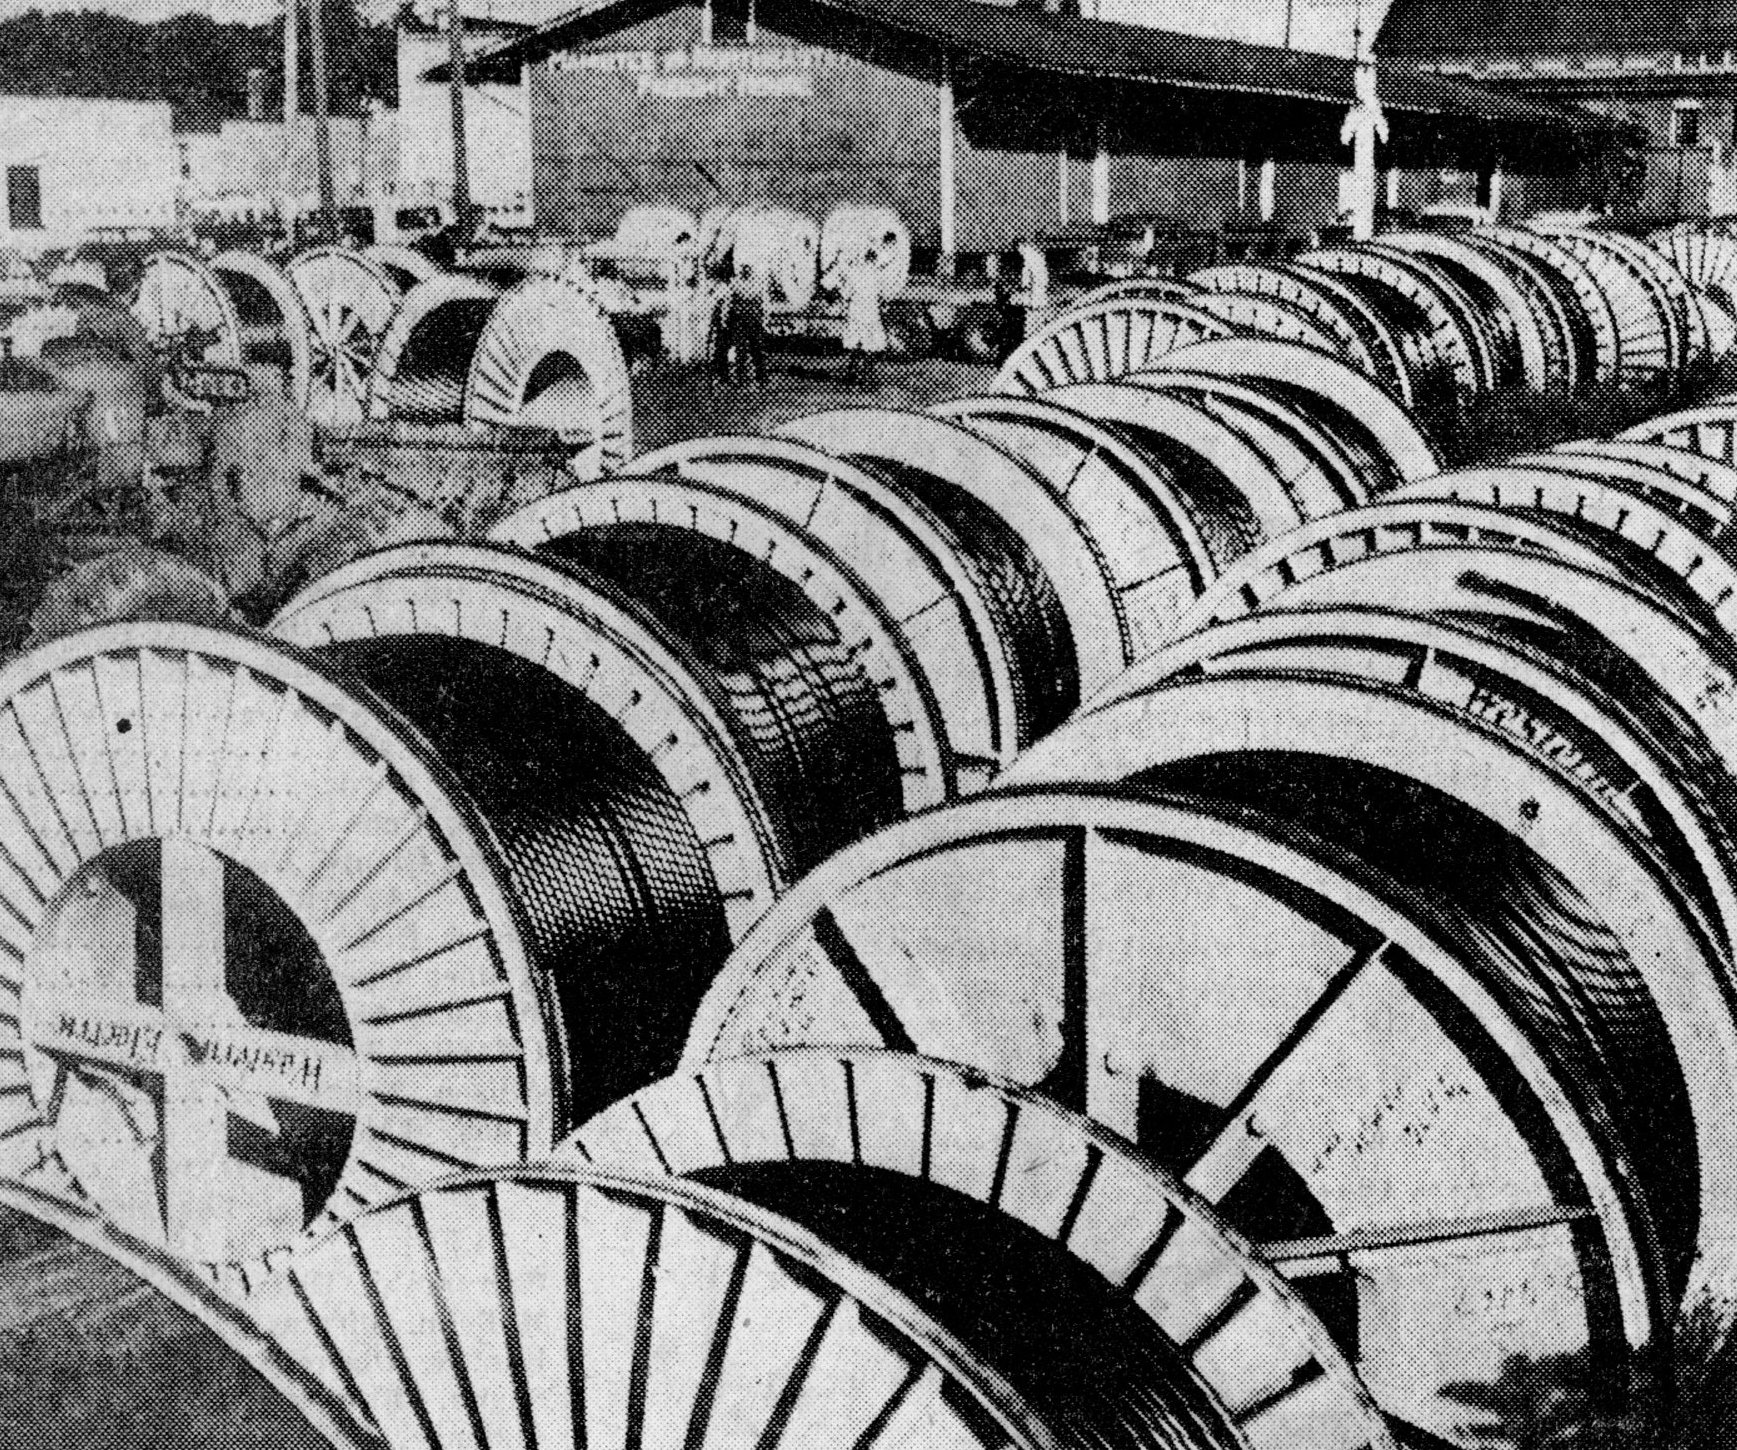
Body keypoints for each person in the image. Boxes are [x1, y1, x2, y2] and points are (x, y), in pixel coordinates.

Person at [841, 247, 887, 386]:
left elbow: (845, 294)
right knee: (871, 345)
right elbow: (883, 296)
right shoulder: (878, 274)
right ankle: (868, 375)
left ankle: (852, 374)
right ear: (874, 259)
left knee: (856, 345)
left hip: (857, 312)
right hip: (871, 313)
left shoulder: (854, 273)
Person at [729, 259, 769, 389]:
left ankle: (761, 378)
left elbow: (763, 304)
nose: (746, 270)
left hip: (755, 320)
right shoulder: (735, 283)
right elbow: (731, 303)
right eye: (743, 268)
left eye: (748, 268)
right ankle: (741, 379)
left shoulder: (758, 284)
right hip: (740, 320)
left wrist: (764, 321)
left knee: (757, 349)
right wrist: (728, 319)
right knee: (740, 350)